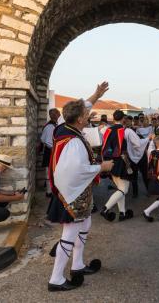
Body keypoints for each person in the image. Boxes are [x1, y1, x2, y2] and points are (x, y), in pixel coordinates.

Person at [46, 82, 113, 291]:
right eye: (87, 114)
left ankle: (77, 265)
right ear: (80, 119)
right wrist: (102, 166)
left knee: (84, 226)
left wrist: (96, 95)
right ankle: (56, 279)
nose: (89, 115)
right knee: (69, 234)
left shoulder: (63, 128)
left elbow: (82, 105)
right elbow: (78, 169)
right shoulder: (73, 141)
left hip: (77, 192)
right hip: (72, 194)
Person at [100, 110, 150, 222]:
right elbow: (138, 144)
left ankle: (122, 213)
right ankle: (105, 209)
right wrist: (148, 139)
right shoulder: (126, 131)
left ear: (113, 119)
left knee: (120, 188)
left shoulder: (106, 130)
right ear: (124, 119)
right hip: (122, 161)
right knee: (124, 190)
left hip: (109, 162)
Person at [40, 108, 61, 198]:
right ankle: (49, 192)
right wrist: (57, 149)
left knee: (54, 173)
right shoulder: (50, 127)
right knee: (49, 173)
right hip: (51, 152)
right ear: (54, 115)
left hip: (53, 152)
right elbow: (47, 142)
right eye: (58, 113)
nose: (60, 115)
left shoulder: (54, 125)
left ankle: (53, 190)